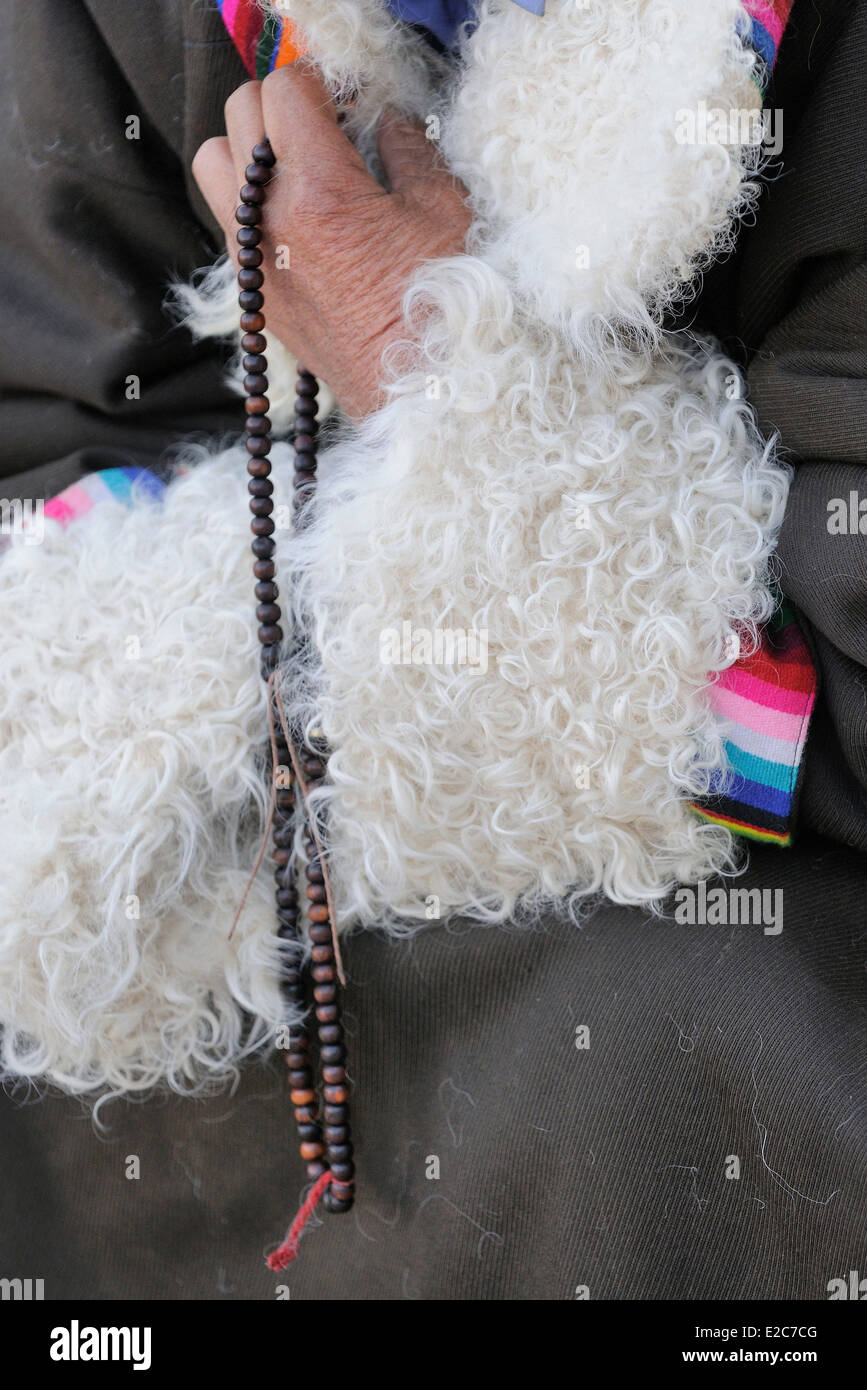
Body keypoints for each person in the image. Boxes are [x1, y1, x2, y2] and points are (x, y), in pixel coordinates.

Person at [0, 0, 864, 1301]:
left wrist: (442, 378)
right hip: (261, 1060)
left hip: (712, 1064)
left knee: (690, 1024)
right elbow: (43, 516)